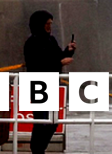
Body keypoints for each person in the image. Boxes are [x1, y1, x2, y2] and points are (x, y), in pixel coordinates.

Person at [23, 10, 76, 154]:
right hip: (38, 84)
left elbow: (58, 56)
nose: (49, 26)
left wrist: (68, 51)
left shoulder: (51, 40)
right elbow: (37, 64)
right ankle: (37, 150)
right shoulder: (32, 42)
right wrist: (60, 63)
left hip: (51, 84)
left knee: (53, 121)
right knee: (41, 120)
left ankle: (39, 149)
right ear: (39, 24)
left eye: (50, 24)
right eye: (47, 23)